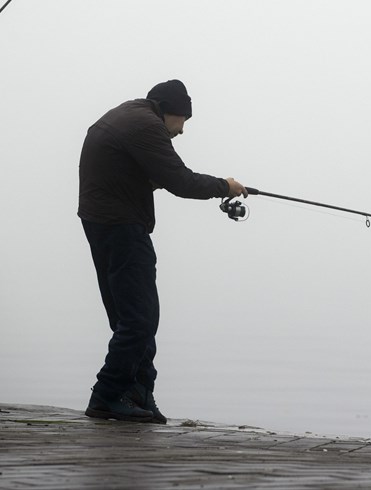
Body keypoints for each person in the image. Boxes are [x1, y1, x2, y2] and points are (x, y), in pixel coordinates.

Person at [78, 79, 246, 422]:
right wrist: (225, 186)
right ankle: (107, 395)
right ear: (170, 112)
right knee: (139, 318)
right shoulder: (146, 126)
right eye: (183, 120)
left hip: (102, 223)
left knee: (134, 316)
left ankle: (138, 393)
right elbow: (181, 181)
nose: (182, 130)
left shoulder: (128, 114)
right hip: (121, 227)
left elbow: (137, 172)